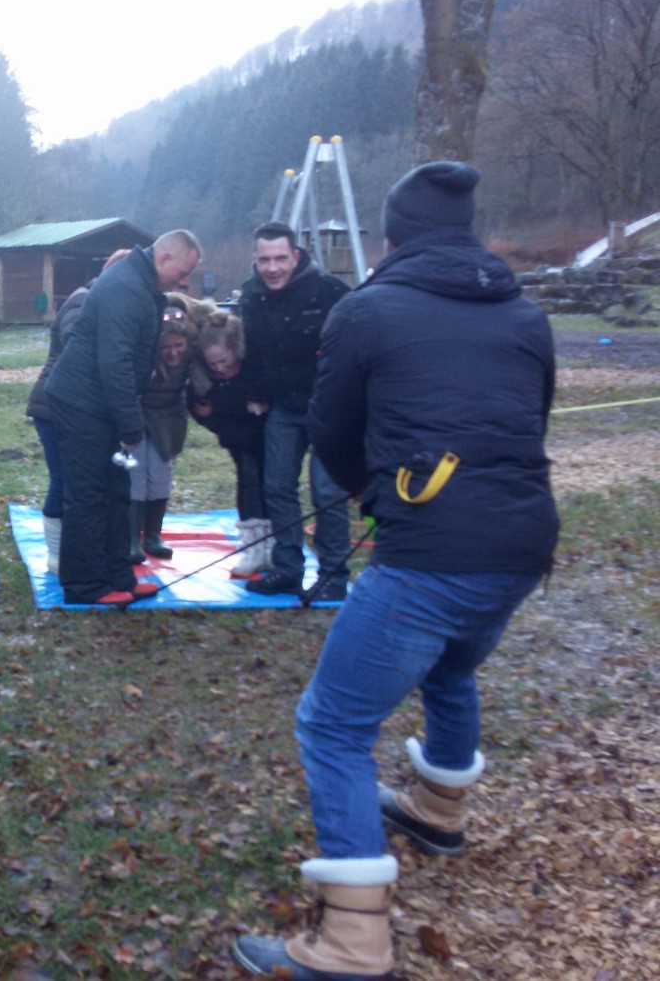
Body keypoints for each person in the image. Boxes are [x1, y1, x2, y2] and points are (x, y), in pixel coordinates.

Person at [233, 163, 558, 979]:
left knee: (332, 725)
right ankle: (438, 808)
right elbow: (532, 422)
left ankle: (352, 938)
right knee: (451, 668)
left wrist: (370, 493)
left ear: (393, 234)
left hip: (432, 550)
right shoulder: (526, 314)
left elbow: (333, 428)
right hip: (521, 545)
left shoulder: (365, 310)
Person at [43, 230, 204, 605]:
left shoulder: (142, 283)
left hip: (102, 404)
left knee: (118, 491)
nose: (184, 282)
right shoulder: (126, 288)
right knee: (88, 495)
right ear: (164, 258)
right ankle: (85, 585)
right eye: (183, 273)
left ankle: (120, 577)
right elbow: (114, 363)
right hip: (81, 403)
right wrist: (132, 426)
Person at [239, 221, 352, 601]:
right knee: (277, 487)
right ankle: (288, 569)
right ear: (255, 260)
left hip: (330, 409)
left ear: (295, 256)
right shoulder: (251, 295)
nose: (272, 268)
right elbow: (251, 351)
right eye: (264, 260)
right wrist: (255, 393)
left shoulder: (332, 292)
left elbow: (359, 346)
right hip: (284, 408)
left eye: (280, 259)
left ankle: (334, 576)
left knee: (327, 492)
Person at [126, 292, 210, 562]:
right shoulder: (144, 359)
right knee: (136, 473)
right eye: (166, 347)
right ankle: (131, 537)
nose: (173, 352)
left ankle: (153, 533)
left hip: (169, 417)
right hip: (138, 414)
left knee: (161, 473)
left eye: (178, 345)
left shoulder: (192, 357)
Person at [189, 313, 273, 578]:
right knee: (248, 481)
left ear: (236, 350)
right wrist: (233, 411)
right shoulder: (203, 379)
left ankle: (274, 544)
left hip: (267, 431)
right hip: (236, 435)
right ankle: (254, 547)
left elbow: (263, 399)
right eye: (213, 364)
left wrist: (226, 405)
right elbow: (201, 411)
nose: (219, 369)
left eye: (224, 361)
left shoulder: (255, 366)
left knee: (273, 485)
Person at [24, 270, 94, 575]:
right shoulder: (82, 302)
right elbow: (74, 339)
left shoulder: (90, 300)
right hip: (52, 407)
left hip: (71, 406)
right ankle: (56, 555)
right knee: (62, 479)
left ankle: (72, 547)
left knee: (74, 479)